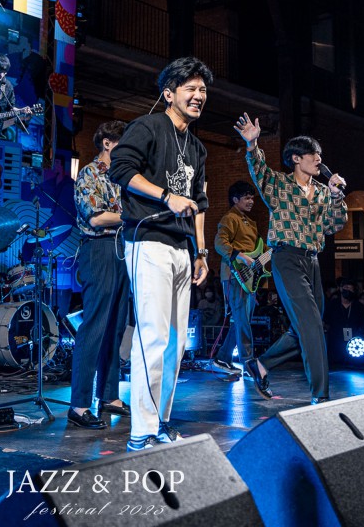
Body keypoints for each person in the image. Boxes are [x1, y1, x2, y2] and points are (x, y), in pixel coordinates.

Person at [109, 57, 212, 452]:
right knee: (151, 336)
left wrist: (201, 252)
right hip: (148, 239)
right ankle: (142, 432)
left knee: (176, 343)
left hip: (183, 249)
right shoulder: (148, 126)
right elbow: (121, 170)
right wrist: (167, 196)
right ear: (169, 93)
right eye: (191, 88)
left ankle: (161, 422)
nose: (199, 95)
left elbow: (199, 203)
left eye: (203, 90)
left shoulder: (197, 147)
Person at [235, 115, 346, 404]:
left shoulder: (323, 192)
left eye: (319, 154)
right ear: (296, 158)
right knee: (310, 325)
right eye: (312, 154)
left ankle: (260, 365)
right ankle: (320, 395)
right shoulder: (279, 184)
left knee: (305, 327)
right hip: (286, 259)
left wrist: (336, 196)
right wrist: (252, 144)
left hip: (313, 261)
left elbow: (334, 224)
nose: (319, 158)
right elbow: (258, 170)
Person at [68, 120, 131, 429]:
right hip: (99, 248)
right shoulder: (89, 174)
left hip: (122, 249)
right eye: (124, 142)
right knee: (94, 326)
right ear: (107, 143)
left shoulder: (124, 176)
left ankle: (109, 395)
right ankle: (79, 405)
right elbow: (95, 218)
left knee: (116, 327)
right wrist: (132, 217)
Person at [211, 181, 264, 390]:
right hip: (234, 275)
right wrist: (240, 256)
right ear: (235, 199)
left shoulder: (251, 222)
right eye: (247, 198)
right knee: (242, 319)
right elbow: (219, 243)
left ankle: (222, 358)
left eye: (252, 198)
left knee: (242, 320)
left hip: (249, 278)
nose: (251, 201)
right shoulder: (229, 218)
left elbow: (258, 253)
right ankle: (249, 363)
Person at [323, 278, 364, 363]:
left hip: (353, 343)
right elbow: (326, 322)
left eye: (351, 289)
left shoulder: (358, 306)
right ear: (341, 288)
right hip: (335, 343)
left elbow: (362, 324)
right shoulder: (332, 304)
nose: (348, 290)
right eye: (346, 287)